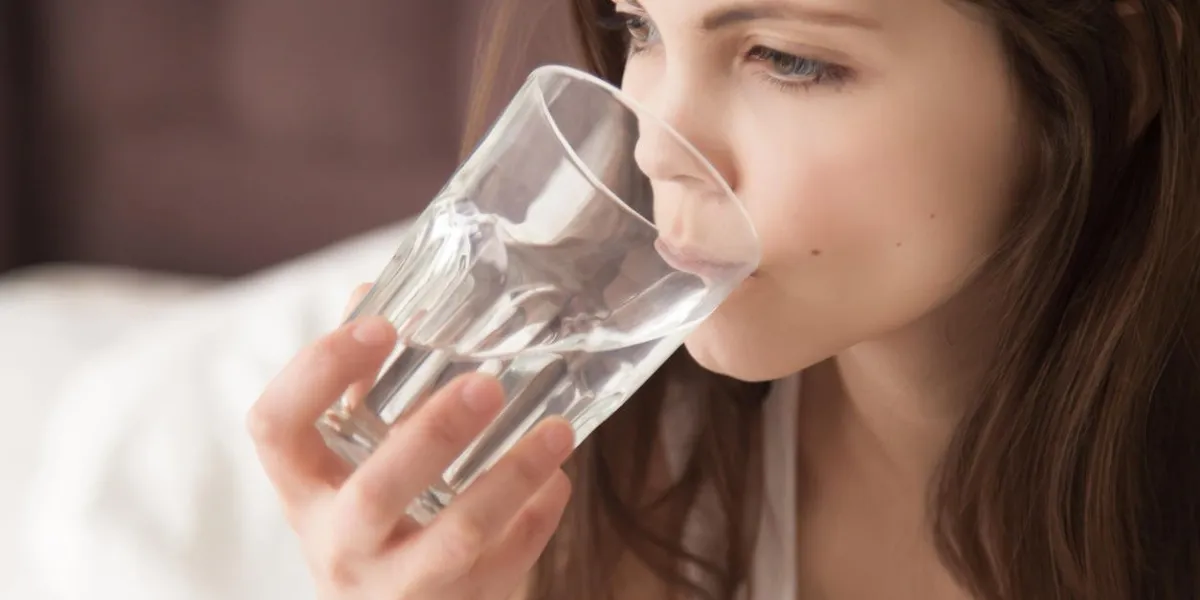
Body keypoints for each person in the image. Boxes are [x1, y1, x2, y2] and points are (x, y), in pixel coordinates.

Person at [245, 0, 1199, 598]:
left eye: (787, 58)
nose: (654, 149)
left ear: (1130, 74)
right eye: (639, 29)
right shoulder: (593, 465)